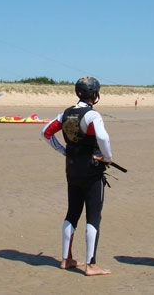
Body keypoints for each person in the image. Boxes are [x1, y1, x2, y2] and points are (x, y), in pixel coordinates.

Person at [41, 76, 113, 276]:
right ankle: (91, 264)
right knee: (93, 216)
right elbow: (103, 137)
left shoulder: (65, 113)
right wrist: (107, 157)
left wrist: (62, 150)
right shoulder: (92, 115)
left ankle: (66, 259)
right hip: (91, 169)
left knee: (72, 212)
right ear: (94, 94)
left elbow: (46, 132)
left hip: (71, 168)